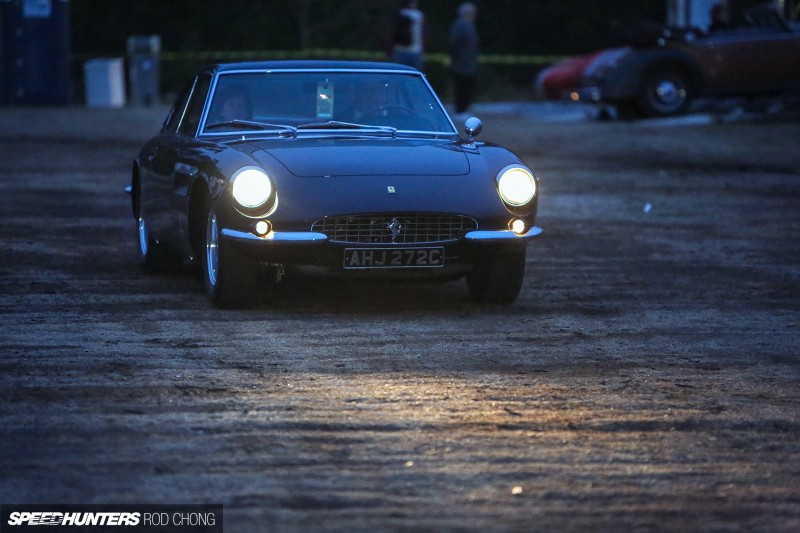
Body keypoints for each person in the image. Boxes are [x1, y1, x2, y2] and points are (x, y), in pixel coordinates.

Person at [448, 2, 479, 117]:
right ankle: (460, 110)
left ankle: (465, 108)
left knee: (467, 86)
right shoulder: (460, 25)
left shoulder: (469, 25)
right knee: (461, 87)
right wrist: (456, 60)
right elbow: (455, 44)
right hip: (461, 64)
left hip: (468, 63)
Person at [386, 1, 427, 70]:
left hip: (399, 50)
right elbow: (424, 34)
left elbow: (391, 33)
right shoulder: (419, 15)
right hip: (416, 50)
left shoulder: (399, 14)